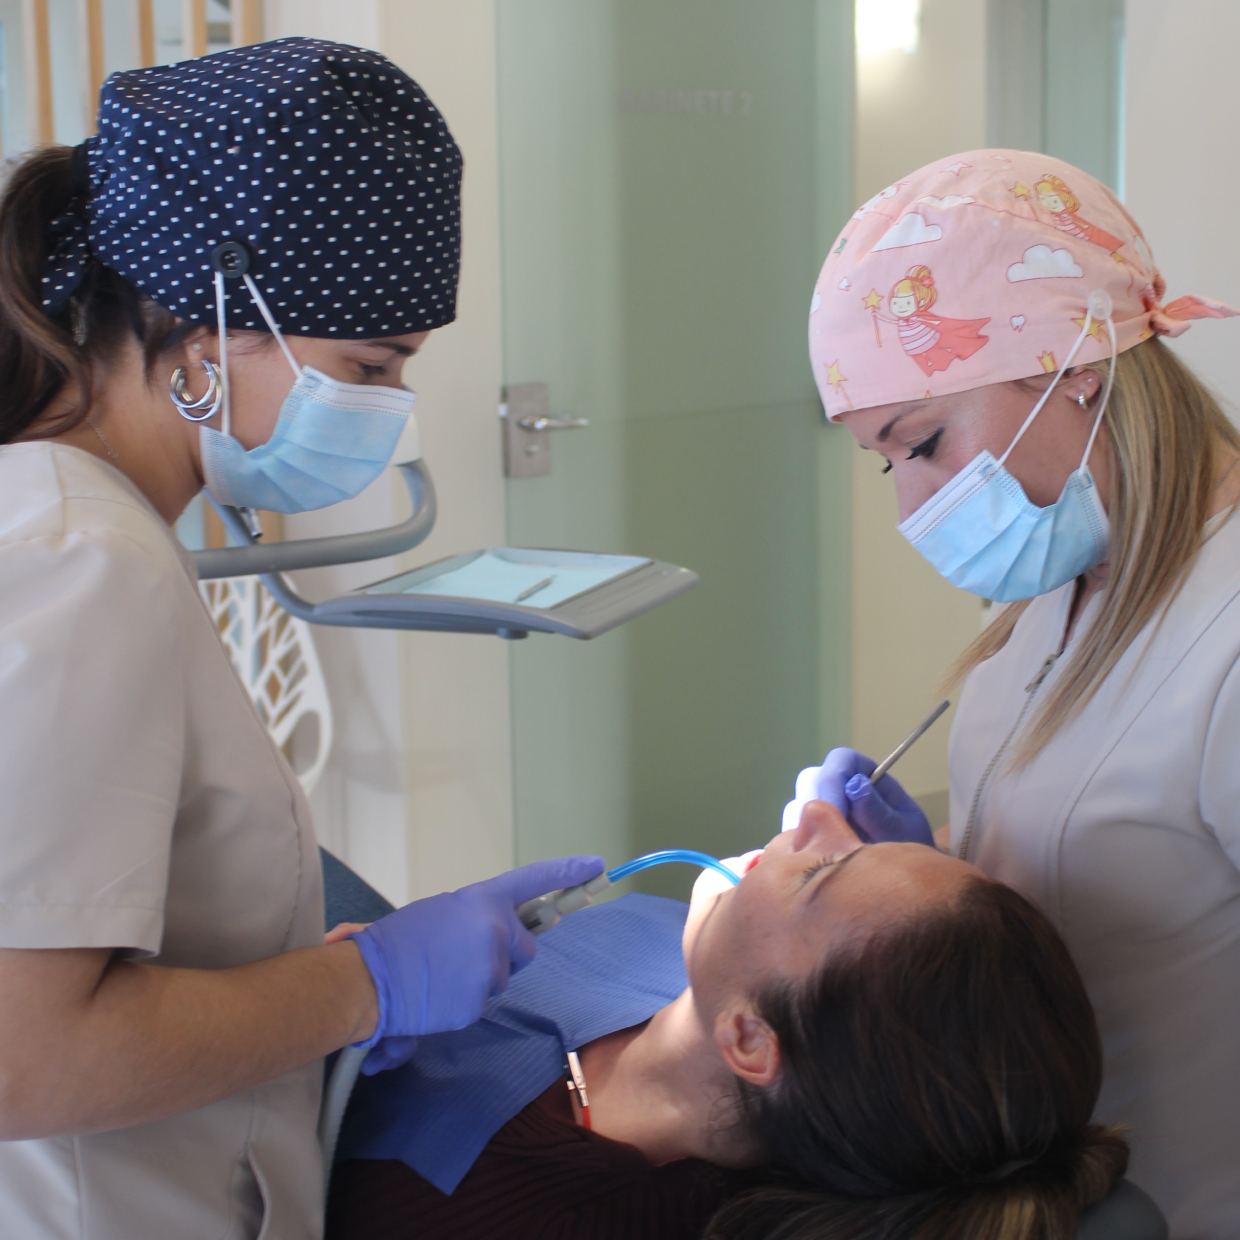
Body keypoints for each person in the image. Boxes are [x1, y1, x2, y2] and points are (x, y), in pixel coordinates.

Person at [0, 38, 600, 1239]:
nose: (386, 411)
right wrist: (361, 986)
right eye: (368, 366)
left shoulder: (84, 526)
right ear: (208, 327)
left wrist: (309, 985)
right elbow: (27, 1059)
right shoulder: (80, 558)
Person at [798, 148, 1240, 1236]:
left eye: (923, 441)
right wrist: (933, 870)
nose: (912, 506)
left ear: (1077, 363)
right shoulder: (1075, 563)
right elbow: (1126, 842)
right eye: (887, 462)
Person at [324, 800, 1128, 1240]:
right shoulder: (680, 955)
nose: (816, 815)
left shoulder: (478, 1215)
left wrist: (336, 1002)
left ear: (748, 1039)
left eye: (822, 870)